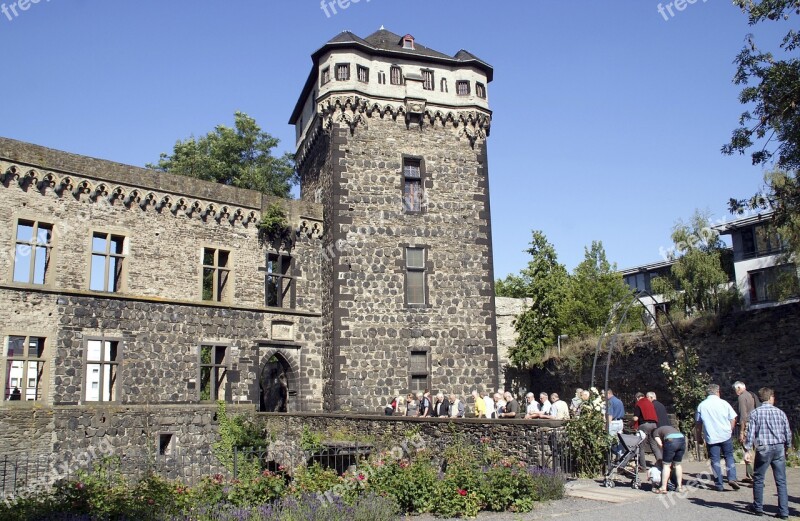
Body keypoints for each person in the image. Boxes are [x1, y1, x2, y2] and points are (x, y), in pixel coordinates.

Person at [743, 387, 791, 519]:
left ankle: (758, 507)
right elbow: (787, 432)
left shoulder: (755, 413)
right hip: (779, 446)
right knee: (781, 481)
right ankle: (784, 511)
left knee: (759, 478)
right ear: (770, 398)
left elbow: (750, 433)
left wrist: (748, 449)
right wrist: (788, 447)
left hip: (763, 447)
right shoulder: (780, 413)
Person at [695, 383, 739, 492]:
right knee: (729, 456)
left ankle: (719, 484)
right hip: (725, 434)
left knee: (715, 460)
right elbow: (733, 418)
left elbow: (698, 423)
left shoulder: (702, 405)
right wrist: (730, 429)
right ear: (718, 392)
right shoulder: (724, 403)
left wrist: (699, 436)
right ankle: (732, 477)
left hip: (711, 436)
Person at [733, 380, 759, 483]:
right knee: (753, 450)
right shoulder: (751, 395)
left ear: (739, 388)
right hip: (755, 425)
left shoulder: (742, 397)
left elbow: (743, 416)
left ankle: (752, 476)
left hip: (747, 425)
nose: (735, 392)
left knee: (747, 450)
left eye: (735, 389)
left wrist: (741, 432)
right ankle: (750, 475)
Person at [650, 424, 685, 494]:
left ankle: (663, 488)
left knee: (666, 465)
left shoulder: (654, 432)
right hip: (682, 439)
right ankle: (679, 487)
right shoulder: (666, 428)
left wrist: (665, 453)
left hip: (671, 441)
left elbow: (660, 444)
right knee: (677, 464)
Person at [633, 392, 660, 470]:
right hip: (654, 425)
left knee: (641, 446)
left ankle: (643, 467)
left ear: (637, 398)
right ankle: (661, 464)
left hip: (644, 425)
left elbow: (636, 418)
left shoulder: (639, 404)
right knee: (654, 446)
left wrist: (631, 422)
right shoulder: (650, 402)